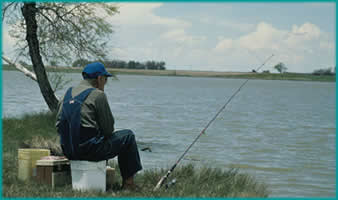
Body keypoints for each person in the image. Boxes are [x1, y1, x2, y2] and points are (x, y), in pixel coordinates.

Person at [55, 62, 142, 190]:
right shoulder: (98, 95)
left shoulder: (66, 95)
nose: (105, 84)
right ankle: (129, 184)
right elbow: (108, 130)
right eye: (105, 80)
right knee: (128, 136)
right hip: (89, 151)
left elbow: (58, 126)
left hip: (69, 151)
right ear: (99, 79)